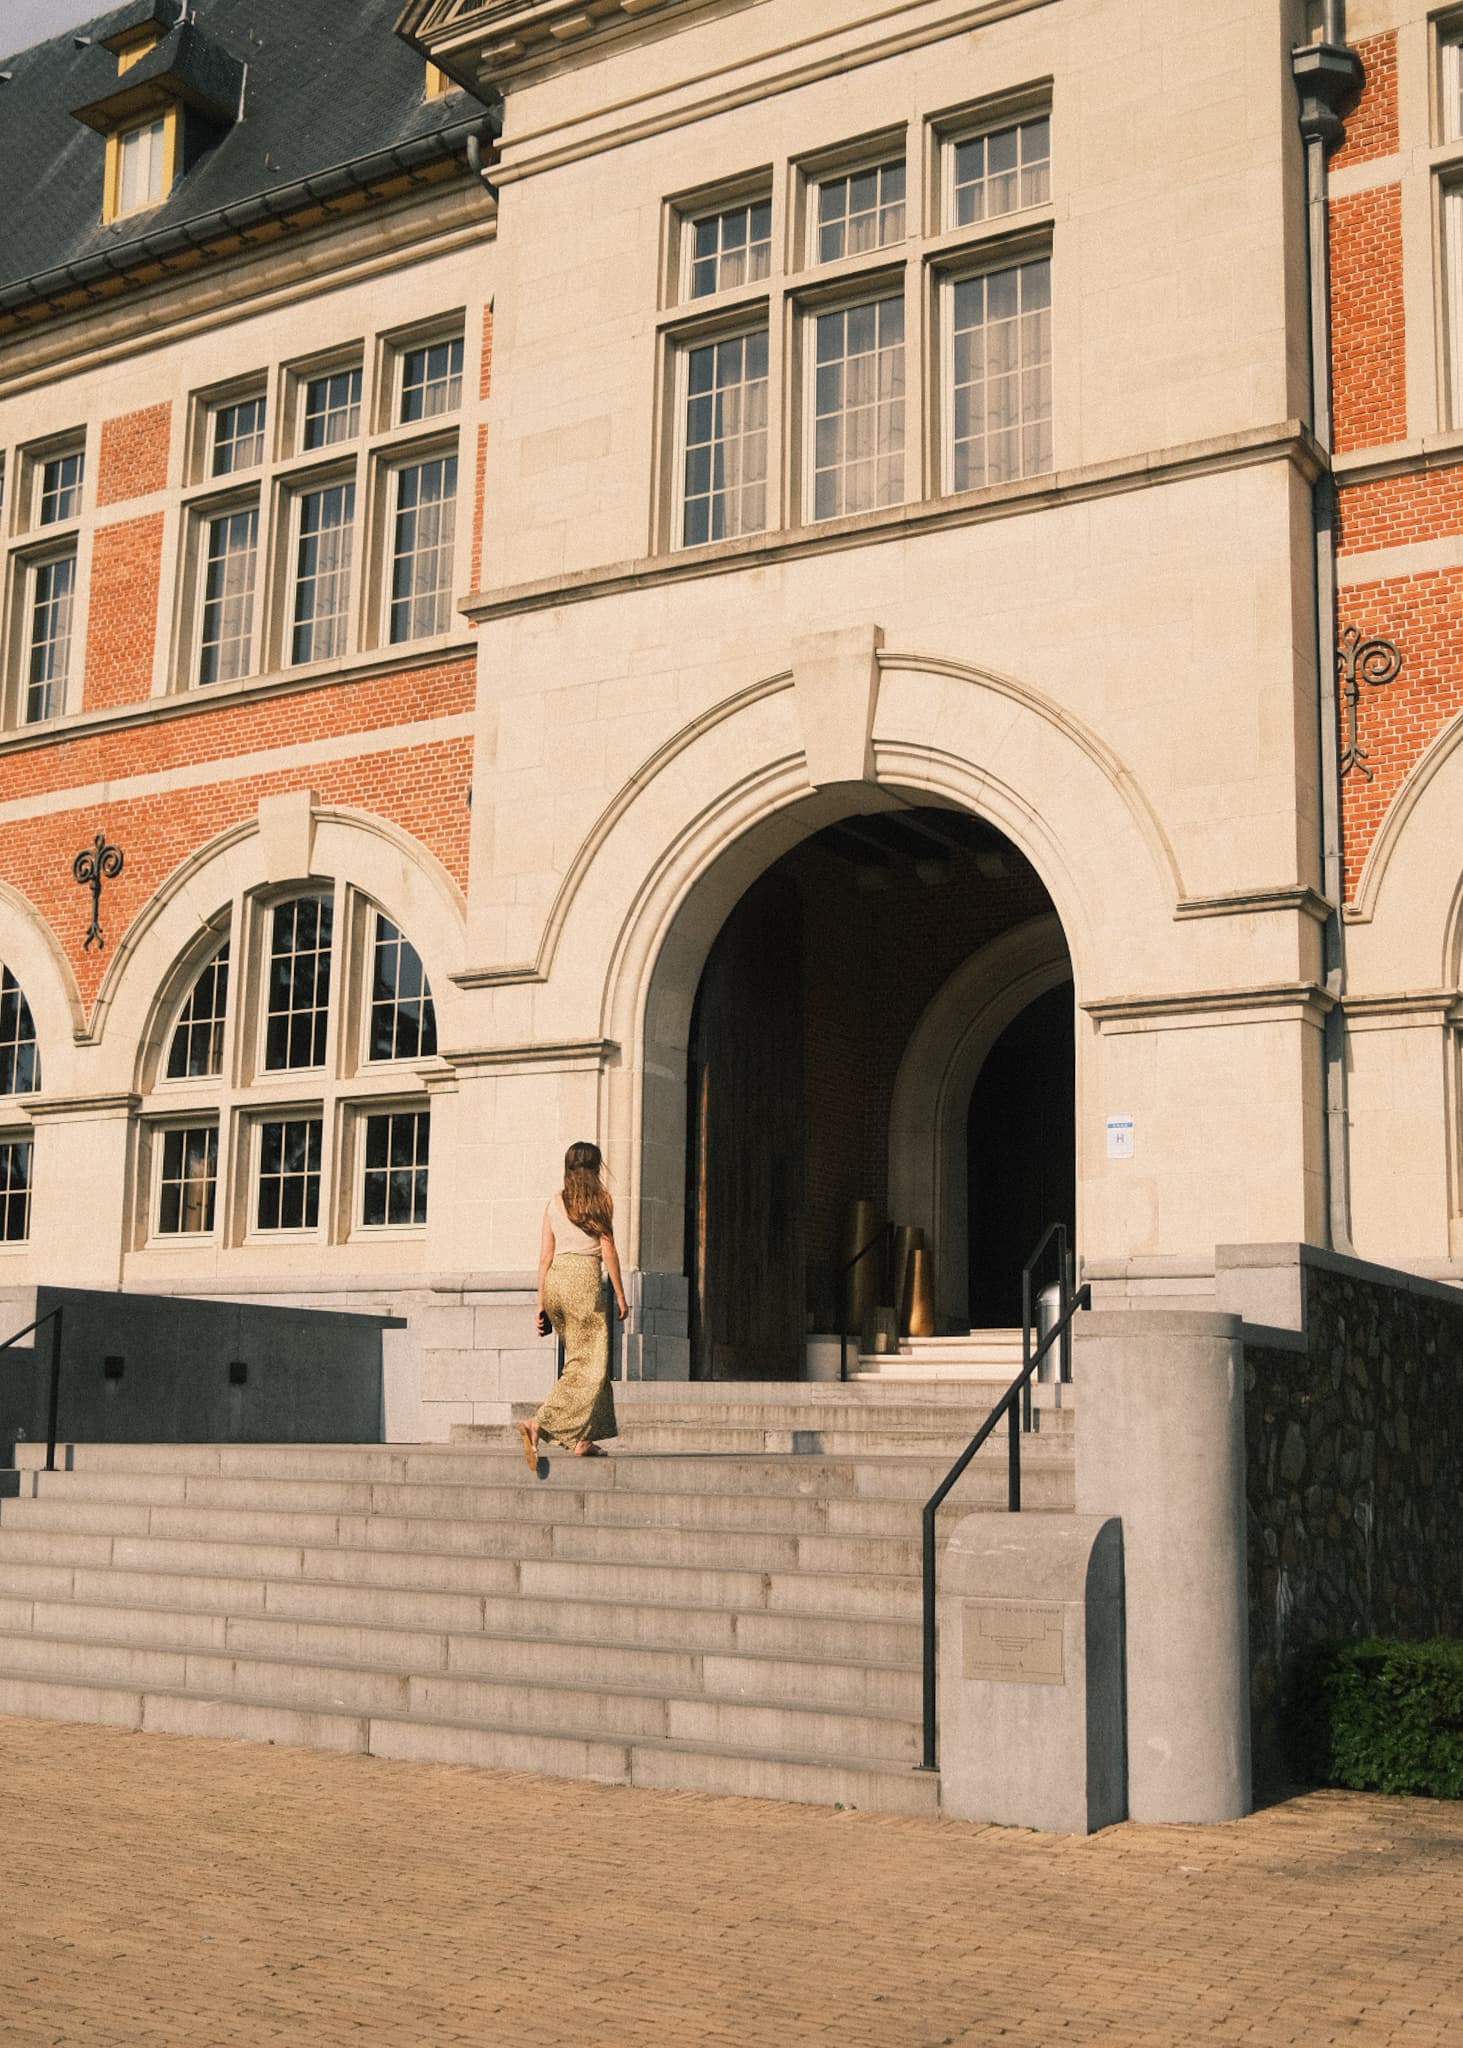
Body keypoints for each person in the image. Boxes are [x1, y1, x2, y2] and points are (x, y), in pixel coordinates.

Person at [517, 1141, 627, 1467]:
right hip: (583, 1281)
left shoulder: (553, 1203)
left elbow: (544, 1258)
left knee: (588, 1362)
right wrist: (620, 1293)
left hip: (555, 1282)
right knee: (587, 1365)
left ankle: (584, 1439)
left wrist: (540, 1304)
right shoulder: (601, 1200)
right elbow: (608, 1249)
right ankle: (540, 1423)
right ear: (596, 1167)